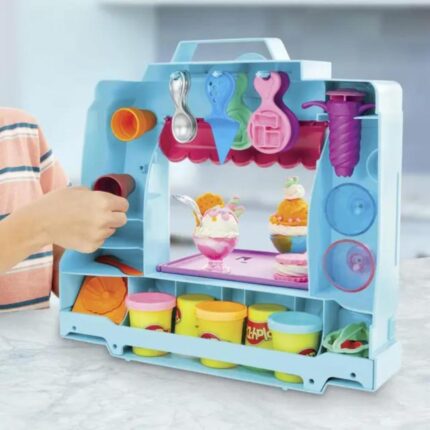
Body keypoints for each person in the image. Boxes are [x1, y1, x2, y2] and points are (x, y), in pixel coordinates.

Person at [0, 108, 128, 311]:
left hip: (31, 328)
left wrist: (98, 287)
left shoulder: (23, 130)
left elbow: (59, 248)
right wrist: (41, 225)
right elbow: (49, 224)